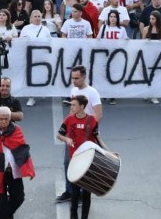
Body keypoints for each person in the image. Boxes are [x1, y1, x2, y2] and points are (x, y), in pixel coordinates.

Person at [57, 65, 103, 203]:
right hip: (72, 134)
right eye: (72, 78)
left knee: (84, 165)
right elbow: (72, 111)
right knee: (68, 162)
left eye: (77, 78)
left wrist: (87, 131)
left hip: (86, 136)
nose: (74, 80)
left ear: (84, 77)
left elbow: (99, 114)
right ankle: (70, 191)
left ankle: (83, 194)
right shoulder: (73, 90)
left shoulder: (92, 92)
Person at [0, 106, 35, 219]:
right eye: (1, 119)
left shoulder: (16, 130)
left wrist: (29, 170)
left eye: (6, 118)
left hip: (13, 171)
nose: (3, 121)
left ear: (10, 118)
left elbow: (23, 151)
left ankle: (4, 216)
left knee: (19, 197)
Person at [57, 96, 101, 219]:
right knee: (75, 194)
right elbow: (59, 135)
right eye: (71, 105)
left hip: (88, 162)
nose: (71, 107)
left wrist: (109, 153)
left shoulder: (92, 120)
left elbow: (97, 139)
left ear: (82, 106)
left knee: (87, 194)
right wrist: (67, 139)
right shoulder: (69, 119)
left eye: (74, 105)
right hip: (74, 161)